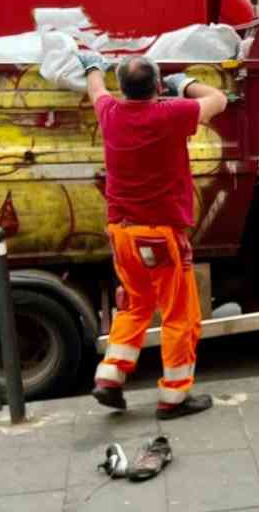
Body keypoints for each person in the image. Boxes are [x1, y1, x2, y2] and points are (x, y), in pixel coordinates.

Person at [80, 53, 226, 419]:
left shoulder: (110, 114)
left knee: (135, 304)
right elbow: (218, 101)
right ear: (158, 87)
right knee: (179, 315)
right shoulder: (170, 114)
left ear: (123, 89)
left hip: (122, 233)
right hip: (160, 235)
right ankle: (174, 397)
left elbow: (95, 89)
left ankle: (109, 378)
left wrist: (91, 65)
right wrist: (186, 85)